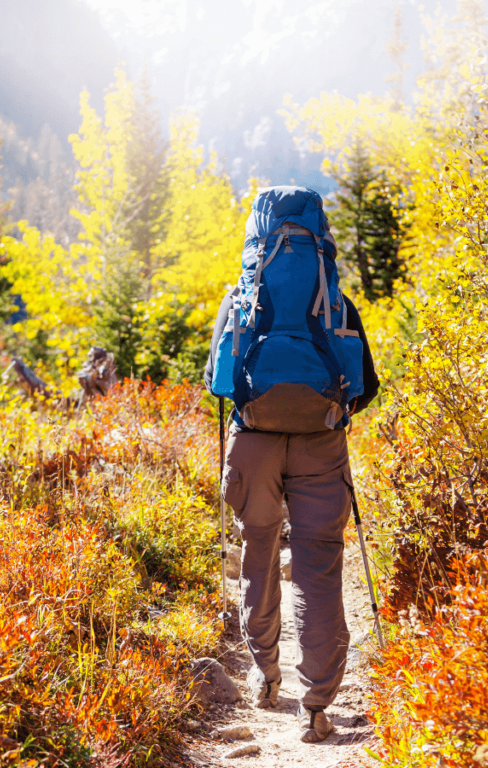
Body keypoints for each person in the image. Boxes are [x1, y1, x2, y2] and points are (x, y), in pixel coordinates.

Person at [204, 203, 379, 743]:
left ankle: (265, 674)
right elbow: (366, 386)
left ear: (256, 238)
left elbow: (217, 380)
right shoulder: (336, 300)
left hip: (252, 440)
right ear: (320, 238)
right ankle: (318, 704)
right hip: (320, 443)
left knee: (258, 550)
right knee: (317, 566)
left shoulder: (239, 299)